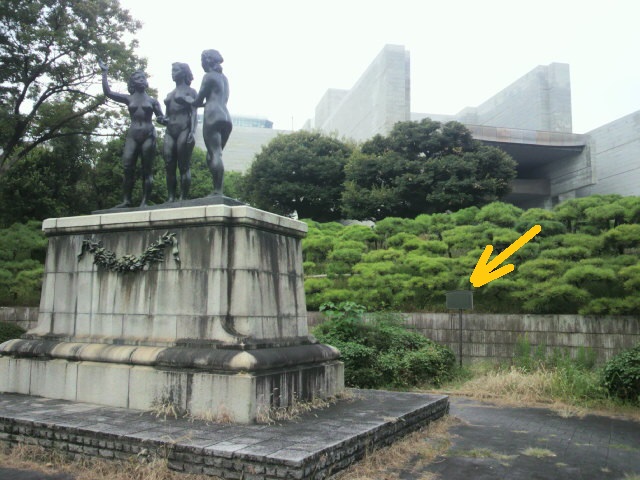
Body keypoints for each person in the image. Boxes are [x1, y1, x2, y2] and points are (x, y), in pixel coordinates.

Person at [98, 60, 165, 208]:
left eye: (143, 78)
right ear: (133, 83)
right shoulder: (129, 98)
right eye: (137, 78)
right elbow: (108, 93)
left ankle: (145, 201)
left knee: (146, 169)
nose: (141, 80)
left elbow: (161, 118)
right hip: (133, 135)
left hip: (148, 134)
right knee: (127, 167)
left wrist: (166, 120)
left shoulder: (153, 101)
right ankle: (126, 200)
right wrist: (104, 73)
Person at [182, 49, 232, 196]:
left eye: (202, 60)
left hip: (213, 116)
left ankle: (218, 191)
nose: (201, 64)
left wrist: (187, 99)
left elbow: (198, 101)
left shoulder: (208, 76)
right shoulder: (224, 78)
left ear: (207, 61)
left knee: (214, 153)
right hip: (226, 117)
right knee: (214, 155)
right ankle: (217, 189)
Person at [162, 62, 197, 202]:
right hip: (170, 131)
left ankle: (183, 197)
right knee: (169, 164)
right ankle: (171, 197)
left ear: (183, 73)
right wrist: (163, 119)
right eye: (172, 70)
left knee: (183, 165)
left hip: (184, 129)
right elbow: (167, 115)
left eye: (175, 70)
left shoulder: (191, 91)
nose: (173, 73)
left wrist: (193, 131)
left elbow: (194, 112)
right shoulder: (170, 94)